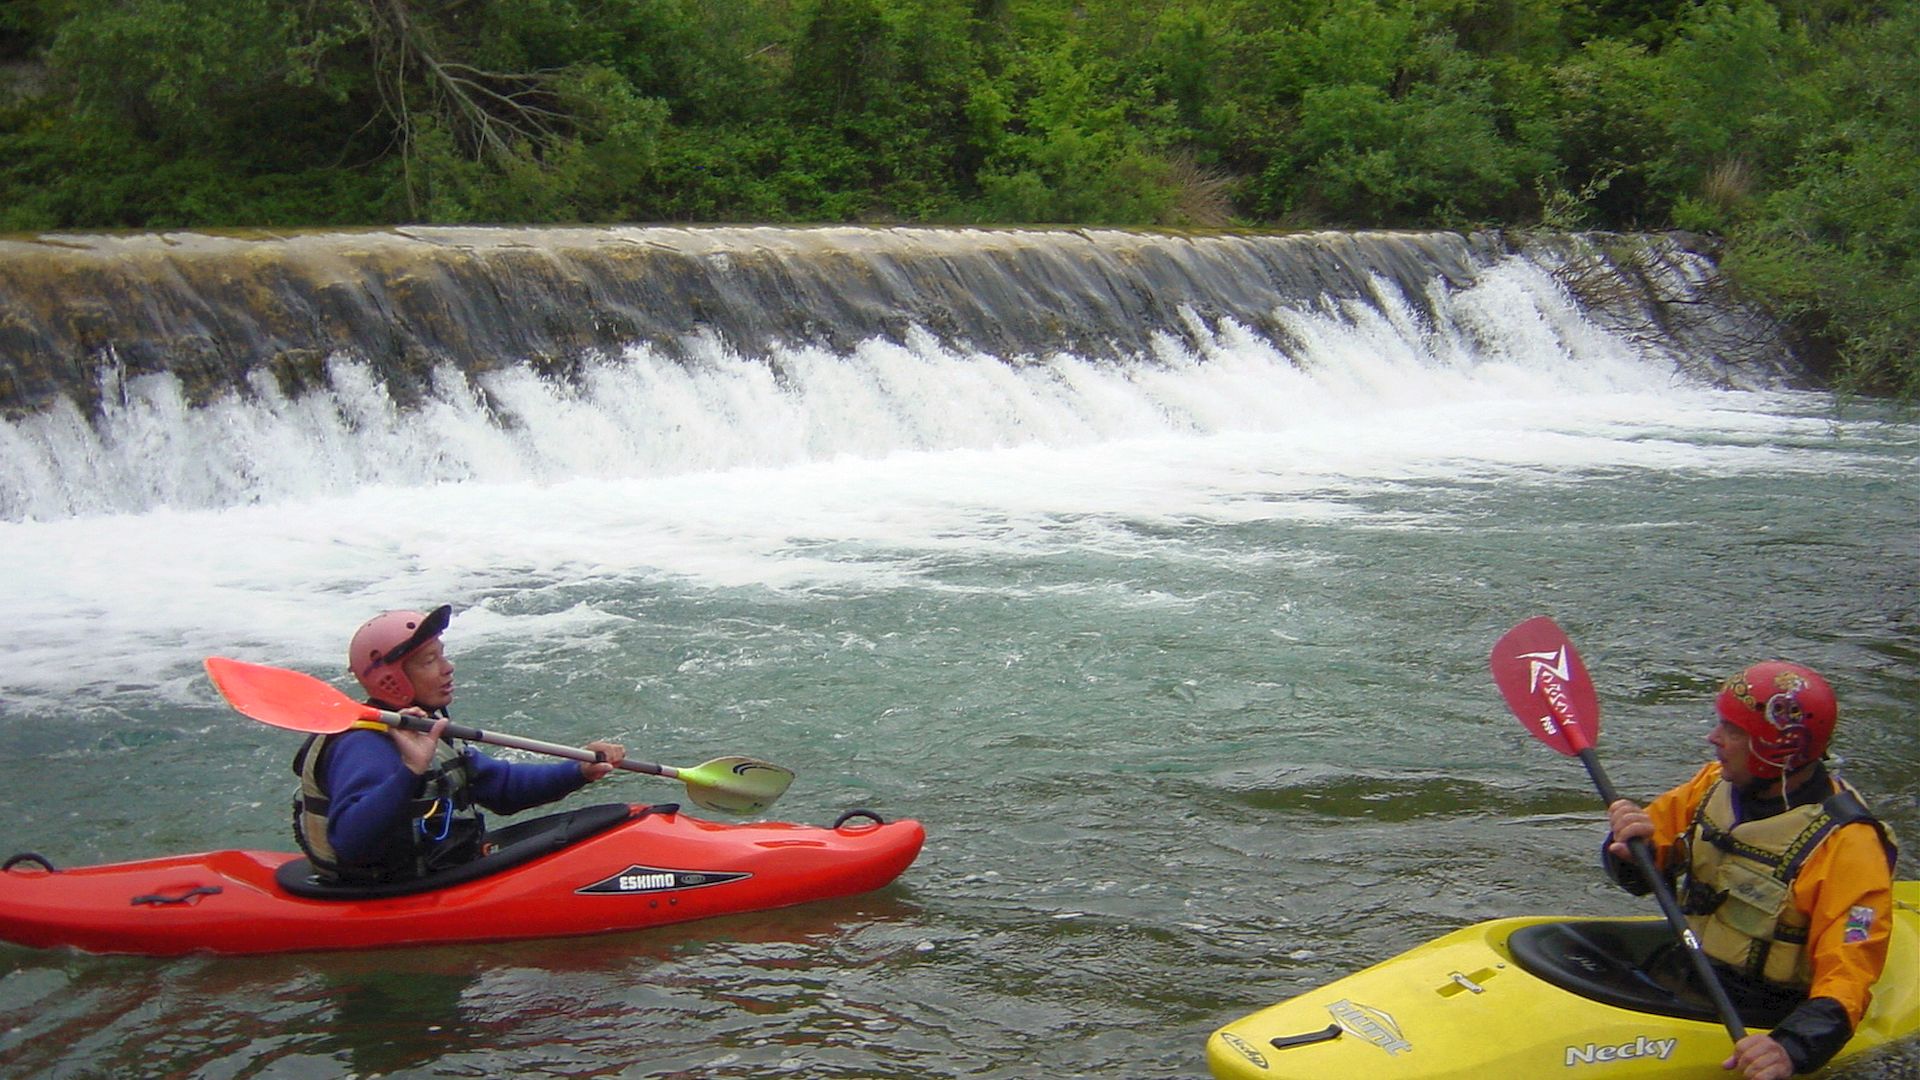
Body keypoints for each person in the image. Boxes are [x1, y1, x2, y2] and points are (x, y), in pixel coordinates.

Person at [1603, 661, 1898, 1080]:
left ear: (1778, 747)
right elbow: (1640, 875)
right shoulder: (1712, 785)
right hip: (1686, 968)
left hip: (1764, 1007)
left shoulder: (1848, 847)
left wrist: (1790, 1049)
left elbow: (1848, 974)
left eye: (1733, 731)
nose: (1714, 739)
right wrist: (1631, 850)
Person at [292, 604, 627, 883]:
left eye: (443, 655)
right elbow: (351, 843)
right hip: (387, 892)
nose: (447, 668)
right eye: (429, 661)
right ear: (390, 679)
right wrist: (411, 770)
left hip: (437, 872)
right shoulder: (364, 745)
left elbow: (502, 788)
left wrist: (579, 771)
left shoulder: (424, 728)